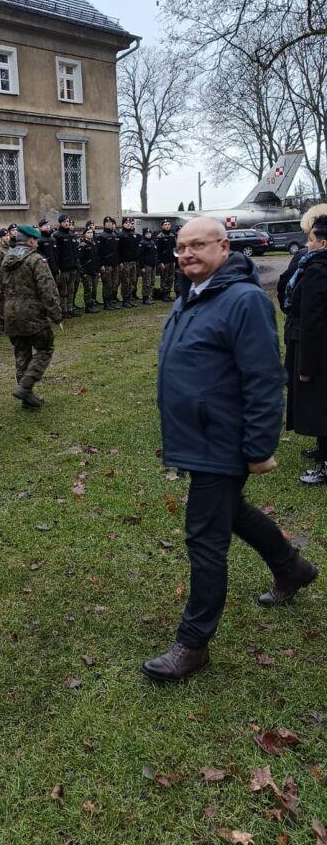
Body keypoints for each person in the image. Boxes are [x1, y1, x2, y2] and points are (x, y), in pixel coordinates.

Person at [142, 218, 318, 683]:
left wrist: (259, 447)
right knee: (230, 511)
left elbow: (263, 379)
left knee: (205, 539)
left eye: (197, 245)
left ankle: (193, 643)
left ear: (224, 247)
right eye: (181, 247)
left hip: (222, 439)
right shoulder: (193, 294)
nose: (186, 254)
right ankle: (291, 567)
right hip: (196, 437)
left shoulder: (243, 300)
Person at [283, 214, 327, 485]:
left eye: (310, 240)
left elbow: (312, 320)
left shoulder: (318, 269)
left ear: (322, 243)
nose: (306, 245)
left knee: (321, 407)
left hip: (319, 351)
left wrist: (306, 367)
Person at [0, 224, 62, 408]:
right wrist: (56, 314)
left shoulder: (6, 259)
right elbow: (47, 289)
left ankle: (26, 397)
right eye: (35, 240)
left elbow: (2, 285)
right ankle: (26, 387)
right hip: (32, 313)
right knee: (45, 349)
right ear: (31, 240)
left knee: (22, 355)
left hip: (11, 313)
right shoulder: (36, 260)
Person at [53, 213, 80, 318]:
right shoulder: (56, 235)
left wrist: (77, 264)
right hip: (63, 268)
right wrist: (58, 267)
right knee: (63, 291)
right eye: (65, 222)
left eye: (68, 222)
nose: (67, 223)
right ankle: (63, 311)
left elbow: (76, 252)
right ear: (60, 223)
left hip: (73, 267)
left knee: (71, 290)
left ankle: (70, 309)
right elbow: (56, 253)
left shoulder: (72, 235)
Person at [96, 216, 121, 310]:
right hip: (106, 265)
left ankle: (111, 301)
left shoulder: (114, 235)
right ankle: (106, 302)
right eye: (107, 223)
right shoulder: (101, 236)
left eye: (110, 222)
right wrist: (101, 265)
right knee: (107, 284)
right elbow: (99, 252)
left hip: (114, 264)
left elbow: (117, 250)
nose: (109, 224)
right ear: (104, 224)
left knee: (114, 284)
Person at [116, 217, 138, 307]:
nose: (128, 224)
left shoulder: (133, 235)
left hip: (133, 261)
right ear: (123, 224)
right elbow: (118, 250)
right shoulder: (120, 235)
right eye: (126, 223)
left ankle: (130, 298)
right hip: (125, 262)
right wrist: (120, 261)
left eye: (129, 222)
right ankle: (125, 300)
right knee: (125, 281)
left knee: (132, 280)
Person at [78, 225, 100, 314]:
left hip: (94, 271)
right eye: (88, 233)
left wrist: (98, 269)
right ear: (84, 235)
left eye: (91, 232)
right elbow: (79, 259)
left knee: (94, 289)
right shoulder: (82, 245)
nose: (90, 234)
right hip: (87, 272)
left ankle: (93, 304)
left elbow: (96, 257)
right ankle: (88, 306)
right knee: (88, 289)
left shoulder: (94, 244)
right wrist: (82, 272)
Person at [156, 219, 177, 301]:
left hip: (171, 260)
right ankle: (164, 294)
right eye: (165, 224)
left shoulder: (172, 236)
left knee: (170, 278)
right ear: (162, 226)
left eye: (168, 224)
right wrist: (160, 262)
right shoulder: (160, 236)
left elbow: (175, 248)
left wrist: (175, 259)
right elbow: (158, 251)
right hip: (164, 262)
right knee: (164, 278)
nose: (167, 226)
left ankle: (168, 293)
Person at [138, 228, 158, 304]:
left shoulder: (152, 242)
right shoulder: (142, 243)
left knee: (152, 281)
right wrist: (142, 266)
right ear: (144, 234)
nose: (148, 234)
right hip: (146, 265)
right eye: (147, 233)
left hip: (153, 265)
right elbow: (140, 256)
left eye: (149, 233)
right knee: (147, 282)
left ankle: (149, 296)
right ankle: (145, 298)